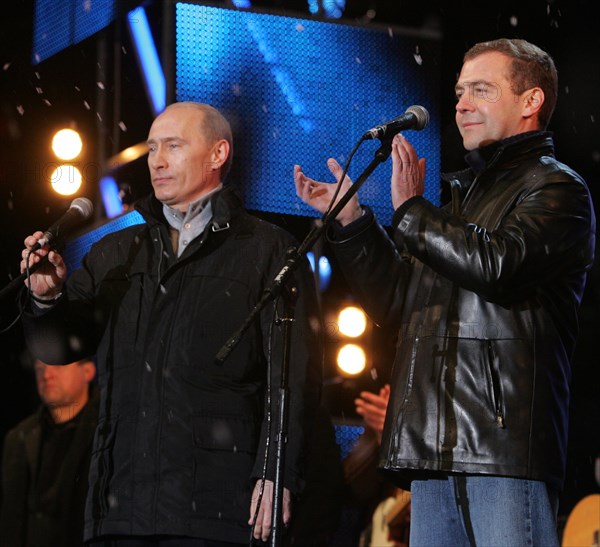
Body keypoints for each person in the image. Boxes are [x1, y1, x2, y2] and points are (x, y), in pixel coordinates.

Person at [295, 38, 596, 546]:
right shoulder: (452, 202)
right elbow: (396, 302)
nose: (460, 104)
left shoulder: (557, 189)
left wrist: (412, 211)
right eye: (459, 92)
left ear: (531, 102)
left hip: (501, 453)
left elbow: (499, 264)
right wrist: (352, 222)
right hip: (431, 453)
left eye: (481, 89)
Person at [20, 102, 322, 545]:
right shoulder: (117, 252)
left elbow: (293, 378)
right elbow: (59, 346)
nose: (156, 161)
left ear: (218, 154)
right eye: (152, 148)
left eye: (173, 147)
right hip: (119, 505)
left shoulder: (269, 252)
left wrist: (278, 470)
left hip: (215, 510)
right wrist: (46, 300)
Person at [0, 357, 98, 546]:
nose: (46, 375)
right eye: (39, 367)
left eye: (57, 365)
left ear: (87, 371)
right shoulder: (18, 438)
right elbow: (11, 521)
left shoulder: (107, 433)